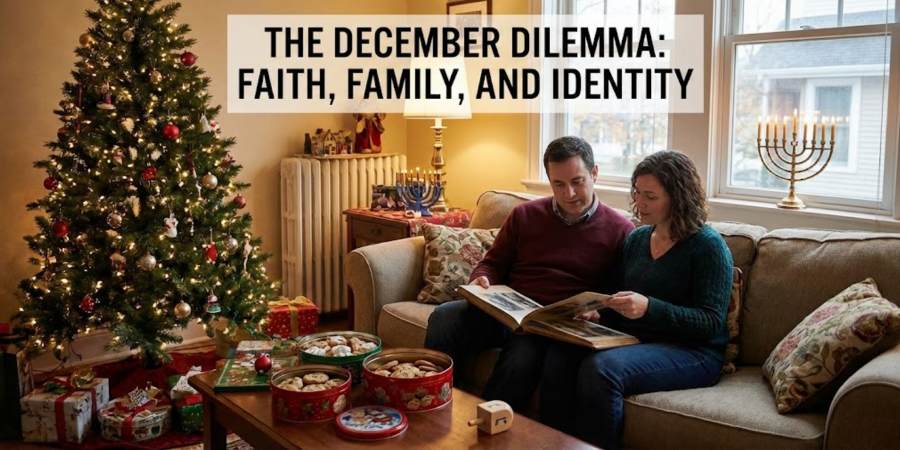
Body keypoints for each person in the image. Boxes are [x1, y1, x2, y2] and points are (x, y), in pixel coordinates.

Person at [539, 150, 733, 449]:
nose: (640, 203)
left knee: (602, 369)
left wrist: (649, 308)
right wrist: (599, 312)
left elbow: (709, 323)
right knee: (560, 352)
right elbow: (617, 297)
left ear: (678, 197)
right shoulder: (637, 239)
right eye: (637, 193)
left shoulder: (708, 246)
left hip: (694, 352)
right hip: (638, 339)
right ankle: (548, 444)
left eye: (651, 197)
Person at [423, 136, 635, 410]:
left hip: (552, 324)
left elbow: (618, 293)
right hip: (505, 312)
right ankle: (436, 403)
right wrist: (481, 279)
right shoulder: (525, 215)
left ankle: (488, 427)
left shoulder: (621, 230)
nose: (569, 193)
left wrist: (599, 312)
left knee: (520, 360)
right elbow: (493, 263)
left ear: (594, 173)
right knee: (445, 316)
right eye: (559, 184)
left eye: (577, 181)